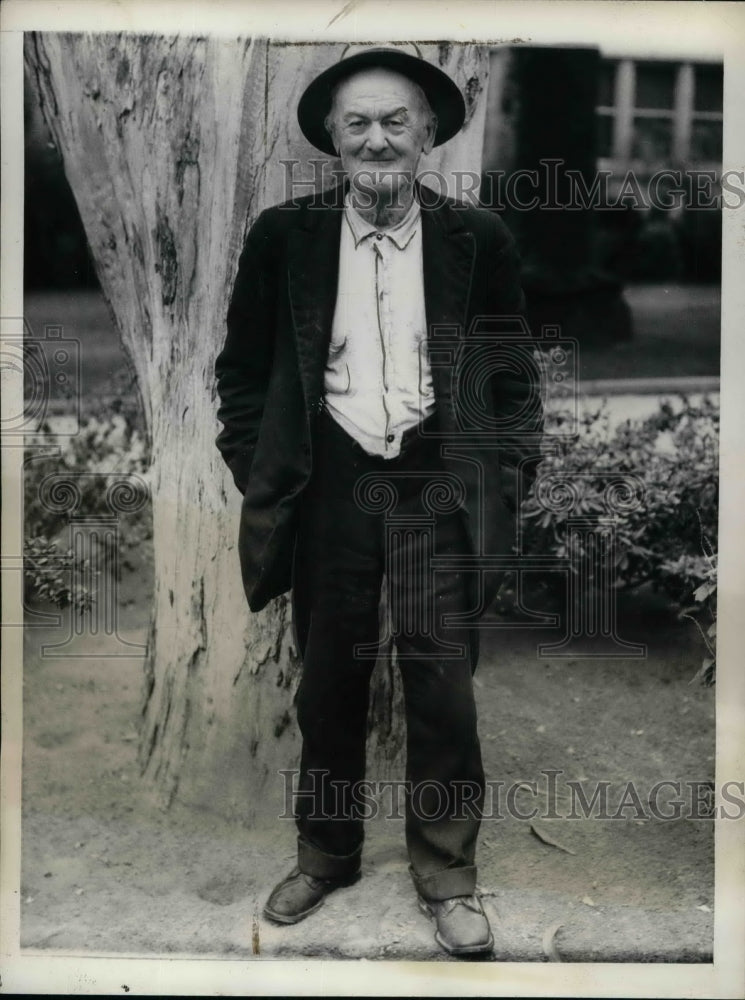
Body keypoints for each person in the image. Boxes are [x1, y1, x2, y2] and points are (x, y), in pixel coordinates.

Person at [215, 43, 543, 958]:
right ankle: (325, 855)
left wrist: (505, 477)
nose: (376, 138)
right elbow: (240, 375)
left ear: (428, 133)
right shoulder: (286, 236)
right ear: (330, 136)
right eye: (356, 121)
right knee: (329, 681)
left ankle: (446, 874)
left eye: (395, 120)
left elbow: (510, 383)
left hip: (438, 482)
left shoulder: (479, 239)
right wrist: (263, 469)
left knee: (441, 684)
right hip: (330, 484)